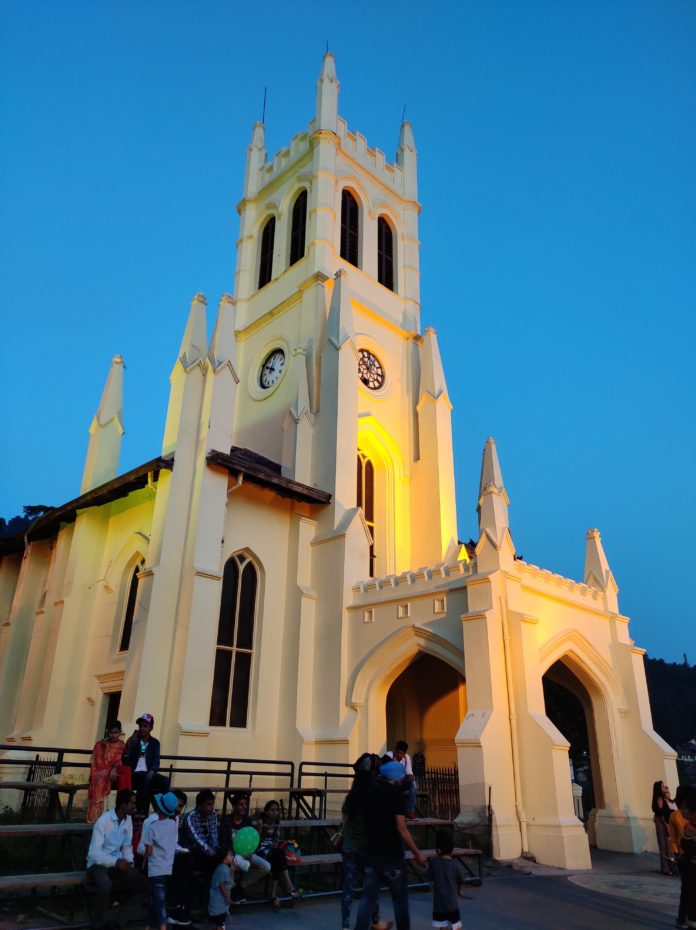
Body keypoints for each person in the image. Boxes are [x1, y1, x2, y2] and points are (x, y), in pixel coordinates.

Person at [355, 760, 427, 930]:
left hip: (372, 854)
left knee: (368, 899)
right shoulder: (396, 794)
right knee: (400, 900)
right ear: (396, 776)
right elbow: (401, 828)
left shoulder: (371, 791)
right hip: (392, 856)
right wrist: (417, 853)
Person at [341, 753, 392, 930]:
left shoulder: (352, 797)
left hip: (349, 847)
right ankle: (376, 922)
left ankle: (345, 926)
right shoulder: (374, 796)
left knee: (348, 888)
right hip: (366, 849)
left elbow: (345, 817)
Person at [85, 788, 149, 929]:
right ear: (122, 805)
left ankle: (121, 918)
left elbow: (127, 846)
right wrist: (116, 862)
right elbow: (94, 853)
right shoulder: (103, 821)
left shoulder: (128, 820)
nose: (134, 806)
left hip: (117, 864)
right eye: (132, 803)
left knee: (144, 886)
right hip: (97, 865)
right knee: (105, 884)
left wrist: (129, 862)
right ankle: (99, 923)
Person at [169, 789, 220, 926]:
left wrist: (216, 852)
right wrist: (213, 854)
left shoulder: (213, 815)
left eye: (212, 804)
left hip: (208, 854)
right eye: (208, 805)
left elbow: (214, 836)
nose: (211, 808)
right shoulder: (190, 817)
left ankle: (213, 908)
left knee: (221, 864)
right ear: (200, 805)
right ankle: (188, 909)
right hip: (192, 853)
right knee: (196, 863)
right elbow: (198, 841)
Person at [219, 793, 271, 900]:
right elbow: (224, 843)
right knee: (233, 867)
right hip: (231, 855)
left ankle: (242, 885)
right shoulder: (226, 821)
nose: (244, 807)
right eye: (241, 804)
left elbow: (251, 841)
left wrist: (250, 853)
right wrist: (234, 855)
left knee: (266, 867)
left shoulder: (247, 821)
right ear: (234, 807)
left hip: (246, 854)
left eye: (245, 804)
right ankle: (230, 895)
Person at [255, 799, 300, 911]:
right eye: (271, 810)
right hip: (261, 849)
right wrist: (264, 834)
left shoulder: (277, 823)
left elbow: (276, 840)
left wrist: (275, 844)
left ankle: (274, 895)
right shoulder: (261, 822)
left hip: (273, 850)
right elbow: (256, 841)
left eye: (276, 810)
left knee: (277, 858)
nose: (274, 812)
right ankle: (289, 885)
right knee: (278, 855)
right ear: (266, 812)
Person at [144, 791, 179, 930]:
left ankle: (162, 927)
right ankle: (147, 926)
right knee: (155, 900)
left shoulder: (152, 826)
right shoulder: (173, 824)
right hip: (168, 868)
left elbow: (149, 851)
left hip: (155, 869)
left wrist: (146, 852)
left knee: (159, 902)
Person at [122, 713, 169, 815]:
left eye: (145, 726)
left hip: (148, 773)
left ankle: (164, 809)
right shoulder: (133, 741)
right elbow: (125, 762)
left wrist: (152, 772)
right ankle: (141, 811)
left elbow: (156, 761)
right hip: (134, 773)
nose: (142, 728)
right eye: (140, 726)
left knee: (165, 781)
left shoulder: (155, 743)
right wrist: (128, 747)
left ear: (151, 728)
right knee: (144, 781)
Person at [87, 721, 129, 823]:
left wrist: (114, 768)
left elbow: (119, 759)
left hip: (114, 774)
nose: (113, 735)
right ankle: (95, 819)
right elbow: (98, 763)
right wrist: (106, 748)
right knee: (101, 777)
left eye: (116, 732)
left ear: (119, 733)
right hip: (101, 773)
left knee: (126, 771)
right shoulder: (100, 744)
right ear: (107, 732)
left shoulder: (121, 745)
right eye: (111, 732)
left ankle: (124, 802)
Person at [427, 830, 469, 930]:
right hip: (452, 904)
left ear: (438, 850)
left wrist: (426, 866)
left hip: (439, 905)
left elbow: (429, 876)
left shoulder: (434, 863)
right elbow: (461, 880)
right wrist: (460, 890)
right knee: (456, 925)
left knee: (442, 926)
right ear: (451, 849)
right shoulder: (455, 864)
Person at [670, 787, 689, 929]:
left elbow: (673, 840)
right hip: (688, 856)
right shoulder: (687, 816)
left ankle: (682, 918)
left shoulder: (675, 816)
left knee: (686, 889)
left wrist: (676, 855)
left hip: (683, 856)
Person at [677, 788, 696, 929]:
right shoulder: (688, 826)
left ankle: (686, 918)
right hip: (688, 865)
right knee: (688, 891)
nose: (682, 810)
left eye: (685, 807)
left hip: (689, 865)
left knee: (688, 892)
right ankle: (687, 918)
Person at [652, 780, 679, 875]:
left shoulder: (663, 799)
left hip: (664, 823)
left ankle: (669, 867)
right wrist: (667, 825)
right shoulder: (659, 799)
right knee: (664, 844)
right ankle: (666, 868)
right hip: (662, 824)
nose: (665, 787)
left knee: (667, 845)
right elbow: (661, 813)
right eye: (663, 786)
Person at [386, 740, 417, 820]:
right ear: (395, 750)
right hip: (389, 781)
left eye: (402, 754)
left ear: (404, 754)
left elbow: (409, 772)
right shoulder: (389, 755)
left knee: (414, 785)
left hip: (402, 782)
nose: (399, 755)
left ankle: (410, 811)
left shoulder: (407, 758)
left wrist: (410, 776)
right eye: (398, 753)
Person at [208, 848, 235, 929]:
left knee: (215, 923)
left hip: (220, 904)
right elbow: (221, 884)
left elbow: (230, 881)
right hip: (218, 904)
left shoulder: (225, 868)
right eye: (230, 855)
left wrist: (232, 870)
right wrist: (227, 897)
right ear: (224, 857)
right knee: (219, 924)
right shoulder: (222, 869)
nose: (232, 856)